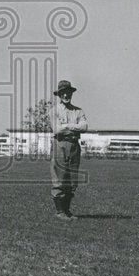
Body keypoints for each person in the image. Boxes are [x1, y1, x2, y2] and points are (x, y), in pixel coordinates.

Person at [50, 79, 88, 221]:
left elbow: (84, 127)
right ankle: (60, 212)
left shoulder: (78, 111)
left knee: (72, 180)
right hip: (60, 144)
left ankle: (67, 210)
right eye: (63, 93)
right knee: (60, 178)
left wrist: (67, 126)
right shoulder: (54, 111)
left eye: (68, 93)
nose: (66, 95)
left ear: (71, 93)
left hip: (74, 146)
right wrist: (74, 126)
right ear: (59, 95)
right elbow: (57, 129)